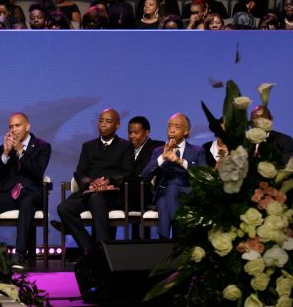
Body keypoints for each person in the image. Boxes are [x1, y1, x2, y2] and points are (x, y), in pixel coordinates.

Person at [0, 113, 51, 267]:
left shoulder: (42, 146)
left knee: (27, 200)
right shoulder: (4, 148)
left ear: (27, 127)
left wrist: (20, 152)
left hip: (31, 193)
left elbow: (37, 173)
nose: (14, 130)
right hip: (10, 194)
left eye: (18, 125)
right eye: (11, 127)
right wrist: (5, 154)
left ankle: (19, 253)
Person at [55, 109, 133, 255]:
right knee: (63, 208)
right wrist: (92, 182)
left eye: (108, 121)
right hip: (89, 191)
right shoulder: (88, 146)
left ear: (117, 125)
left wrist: (108, 181)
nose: (103, 124)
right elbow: (79, 172)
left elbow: (127, 173)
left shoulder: (125, 146)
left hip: (112, 195)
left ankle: (103, 251)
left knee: (97, 199)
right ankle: (91, 249)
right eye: (101, 121)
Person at [142, 114, 206, 239]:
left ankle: (163, 241)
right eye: (169, 126)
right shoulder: (158, 151)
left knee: (168, 192)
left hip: (188, 194)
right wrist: (163, 157)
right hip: (165, 193)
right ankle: (180, 233)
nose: (171, 130)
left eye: (176, 127)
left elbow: (204, 174)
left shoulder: (198, 151)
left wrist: (179, 161)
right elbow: (145, 175)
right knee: (169, 190)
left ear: (186, 131)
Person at [125, 116, 164, 235]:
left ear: (146, 132)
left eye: (135, 133)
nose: (132, 136)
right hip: (127, 194)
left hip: (147, 194)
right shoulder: (124, 148)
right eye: (130, 133)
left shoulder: (158, 147)